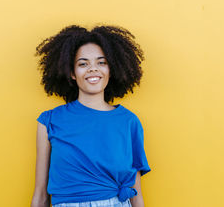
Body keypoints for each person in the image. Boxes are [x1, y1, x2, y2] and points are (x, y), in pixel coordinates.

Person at [31, 25, 151, 207]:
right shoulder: (49, 121)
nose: (93, 69)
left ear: (111, 69)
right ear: (72, 73)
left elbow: (136, 194)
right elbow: (40, 195)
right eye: (83, 63)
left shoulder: (129, 122)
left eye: (101, 62)